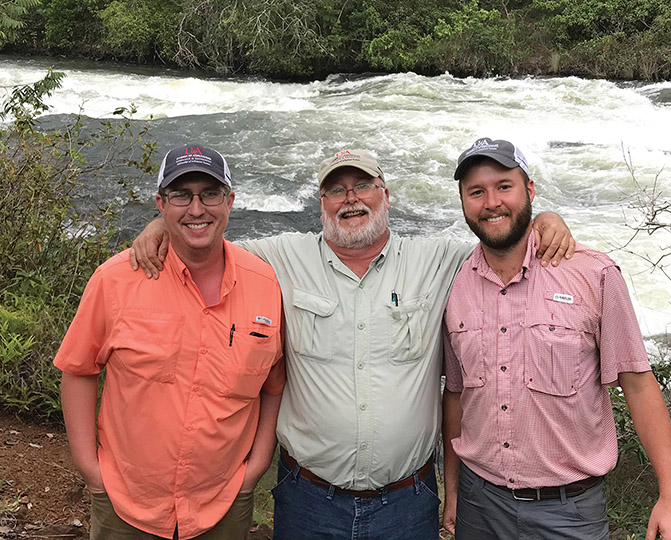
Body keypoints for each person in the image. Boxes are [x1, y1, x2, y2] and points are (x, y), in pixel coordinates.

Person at [130, 148, 575, 539]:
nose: (351, 198)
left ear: (386, 195)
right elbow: (207, 238)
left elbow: (500, 238)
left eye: (363, 185)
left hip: (407, 502)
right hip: (307, 498)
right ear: (321, 204)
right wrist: (161, 226)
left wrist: (546, 220)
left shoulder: (439, 261)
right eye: (336, 190)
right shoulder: (280, 258)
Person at [442, 137, 671, 540]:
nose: (492, 202)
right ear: (463, 201)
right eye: (476, 192)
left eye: (504, 186)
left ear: (530, 190)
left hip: (569, 512)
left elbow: (638, 384)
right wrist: (452, 492)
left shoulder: (594, 274)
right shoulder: (453, 284)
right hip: (479, 504)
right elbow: (455, 395)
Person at [54, 144, 285, 540]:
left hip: (224, 503)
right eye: (181, 195)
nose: (197, 209)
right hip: (126, 503)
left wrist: (256, 466)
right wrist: (91, 470)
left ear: (230, 200)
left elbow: (273, 385)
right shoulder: (116, 279)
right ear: (161, 204)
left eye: (209, 194)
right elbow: (78, 370)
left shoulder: (265, 284)